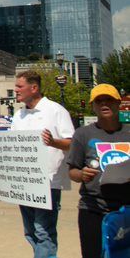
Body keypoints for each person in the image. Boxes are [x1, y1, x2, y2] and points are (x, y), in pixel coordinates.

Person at [11, 70, 74, 258]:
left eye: (19, 86)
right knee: (30, 232)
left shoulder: (56, 111)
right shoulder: (17, 115)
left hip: (48, 182)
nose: (15, 90)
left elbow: (72, 142)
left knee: (43, 231)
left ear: (34, 87)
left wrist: (53, 142)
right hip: (25, 183)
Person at [66, 83, 130, 258]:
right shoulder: (82, 134)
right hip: (93, 209)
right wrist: (82, 175)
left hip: (126, 210)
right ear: (93, 106)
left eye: (109, 100)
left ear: (118, 103)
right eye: (99, 101)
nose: (104, 104)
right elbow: (72, 171)